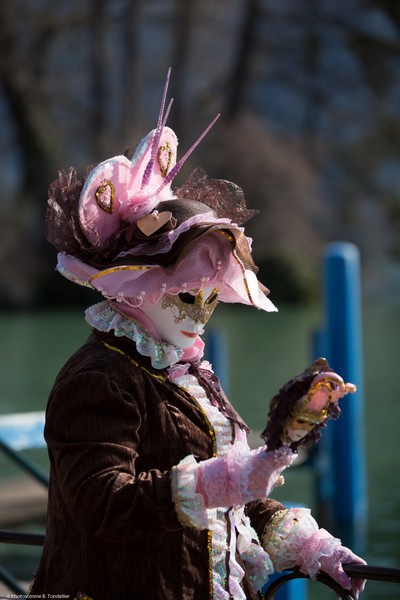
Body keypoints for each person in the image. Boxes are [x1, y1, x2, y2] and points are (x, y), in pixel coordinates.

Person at [30, 72, 366, 600]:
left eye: (213, 297)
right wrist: (220, 482)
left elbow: (236, 494)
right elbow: (99, 504)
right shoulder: (99, 379)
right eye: (187, 294)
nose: (203, 313)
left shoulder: (185, 372)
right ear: (134, 290)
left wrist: (311, 548)